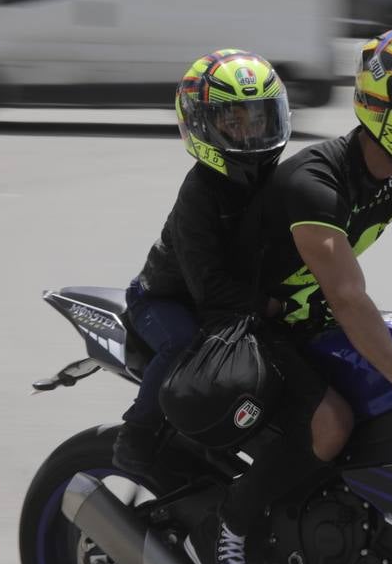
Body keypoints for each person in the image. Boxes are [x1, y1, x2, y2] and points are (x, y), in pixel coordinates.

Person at [183, 29, 392, 564]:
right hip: (249, 327)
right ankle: (224, 531)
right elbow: (350, 298)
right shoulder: (315, 184)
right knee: (332, 422)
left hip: (308, 324)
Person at [112, 49, 291, 474]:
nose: (249, 134)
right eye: (234, 122)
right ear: (202, 125)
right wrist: (267, 304)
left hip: (228, 297)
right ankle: (136, 432)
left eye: (258, 119)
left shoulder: (274, 182)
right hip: (164, 300)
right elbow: (208, 288)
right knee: (186, 346)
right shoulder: (201, 194)